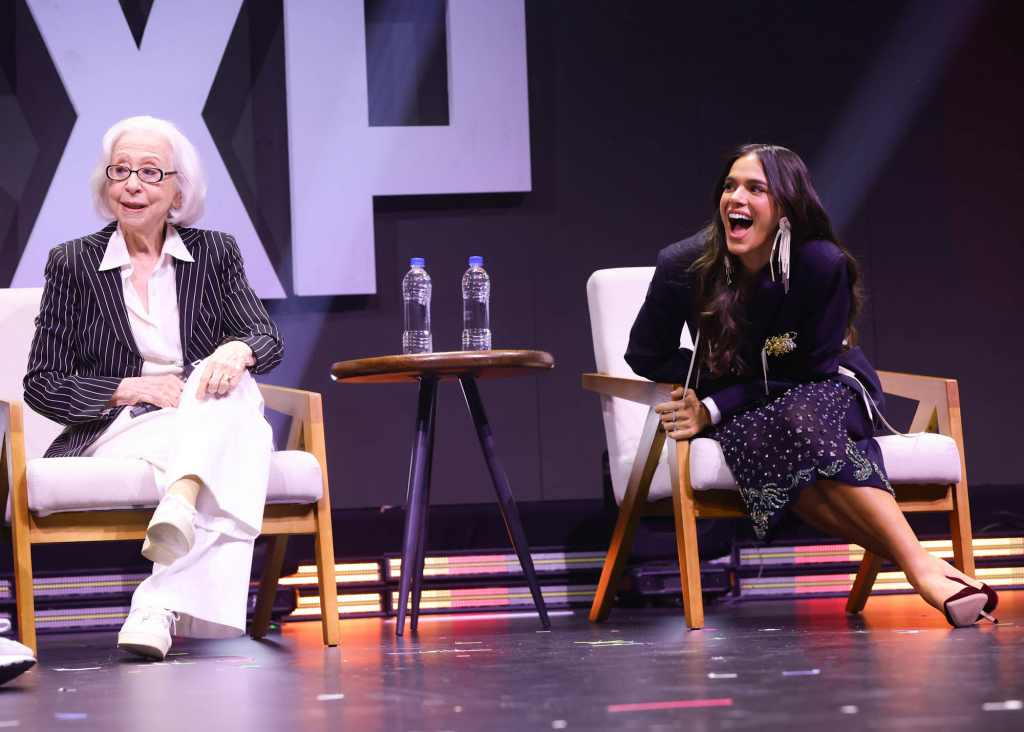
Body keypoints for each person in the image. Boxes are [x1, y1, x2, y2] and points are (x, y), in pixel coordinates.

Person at [626, 143, 995, 628]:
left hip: (828, 389)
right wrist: (709, 378)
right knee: (765, 436)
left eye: (755, 188)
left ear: (785, 208)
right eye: (730, 186)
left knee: (797, 417)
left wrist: (713, 405)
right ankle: (922, 565)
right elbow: (645, 353)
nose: (735, 197)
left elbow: (810, 370)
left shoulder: (822, 265)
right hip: (752, 413)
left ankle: (920, 568)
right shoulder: (684, 265)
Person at [23, 115, 283, 659]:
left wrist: (236, 351)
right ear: (106, 184)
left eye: (149, 171)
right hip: (118, 426)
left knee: (227, 384)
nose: (133, 184)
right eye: (121, 170)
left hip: (199, 415)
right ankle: (167, 567)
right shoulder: (72, 263)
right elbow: (42, 385)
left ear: (178, 191)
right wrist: (131, 388)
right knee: (247, 439)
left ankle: (157, 594)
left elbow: (265, 338)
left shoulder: (215, 253)